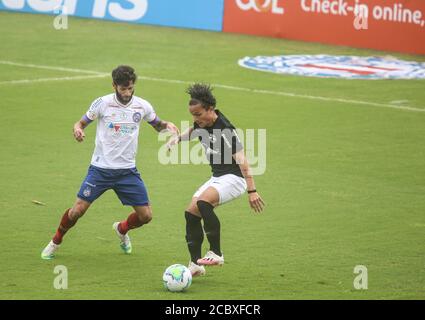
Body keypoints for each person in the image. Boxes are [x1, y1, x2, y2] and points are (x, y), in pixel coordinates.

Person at [41, 65, 179, 259]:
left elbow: (157, 124)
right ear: (114, 85)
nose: (127, 93)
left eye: (130, 88)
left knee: (146, 216)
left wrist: (168, 126)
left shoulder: (142, 106)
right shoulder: (102, 103)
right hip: (100, 170)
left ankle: (122, 229)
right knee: (77, 211)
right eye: (123, 89)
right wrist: (78, 129)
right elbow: (80, 123)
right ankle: (55, 241)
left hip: (127, 171)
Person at [166, 83, 265, 276]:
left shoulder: (225, 129)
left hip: (235, 178)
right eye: (192, 114)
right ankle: (195, 264)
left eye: (197, 114)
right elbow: (194, 131)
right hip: (218, 177)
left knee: (204, 202)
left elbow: (243, 162)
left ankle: (216, 253)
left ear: (210, 109)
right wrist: (177, 139)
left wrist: (252, 191)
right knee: (191, 213)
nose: (195, 118)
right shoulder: (203, 122)